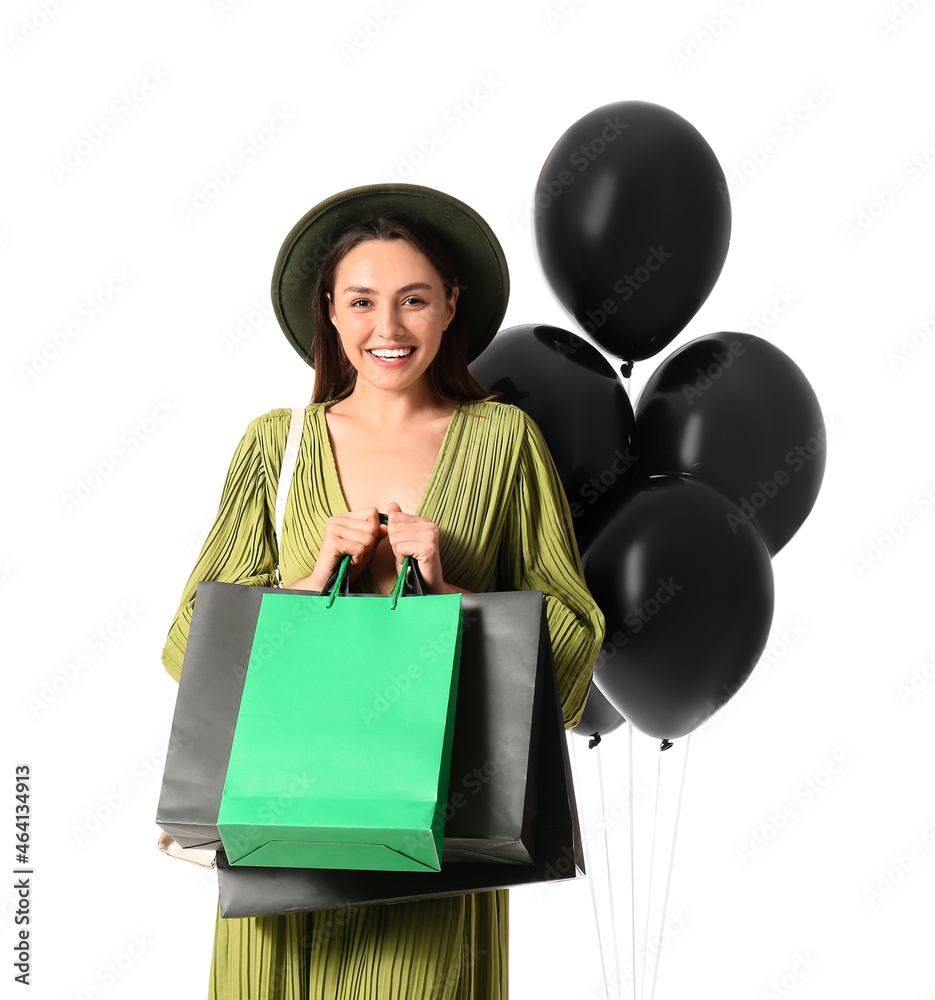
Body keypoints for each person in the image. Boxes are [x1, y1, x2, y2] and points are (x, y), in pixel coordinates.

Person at [161, 183, 605, 999]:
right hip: (285, 843)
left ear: (450, 308)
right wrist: (303, 585)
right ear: (328, 309)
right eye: (362, 301)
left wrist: (449, 593)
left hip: (440, 834)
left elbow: (574, 641)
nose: (388, 329)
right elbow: (189, 643)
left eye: (413, 301)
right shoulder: (277, 446)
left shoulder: (503, 441)